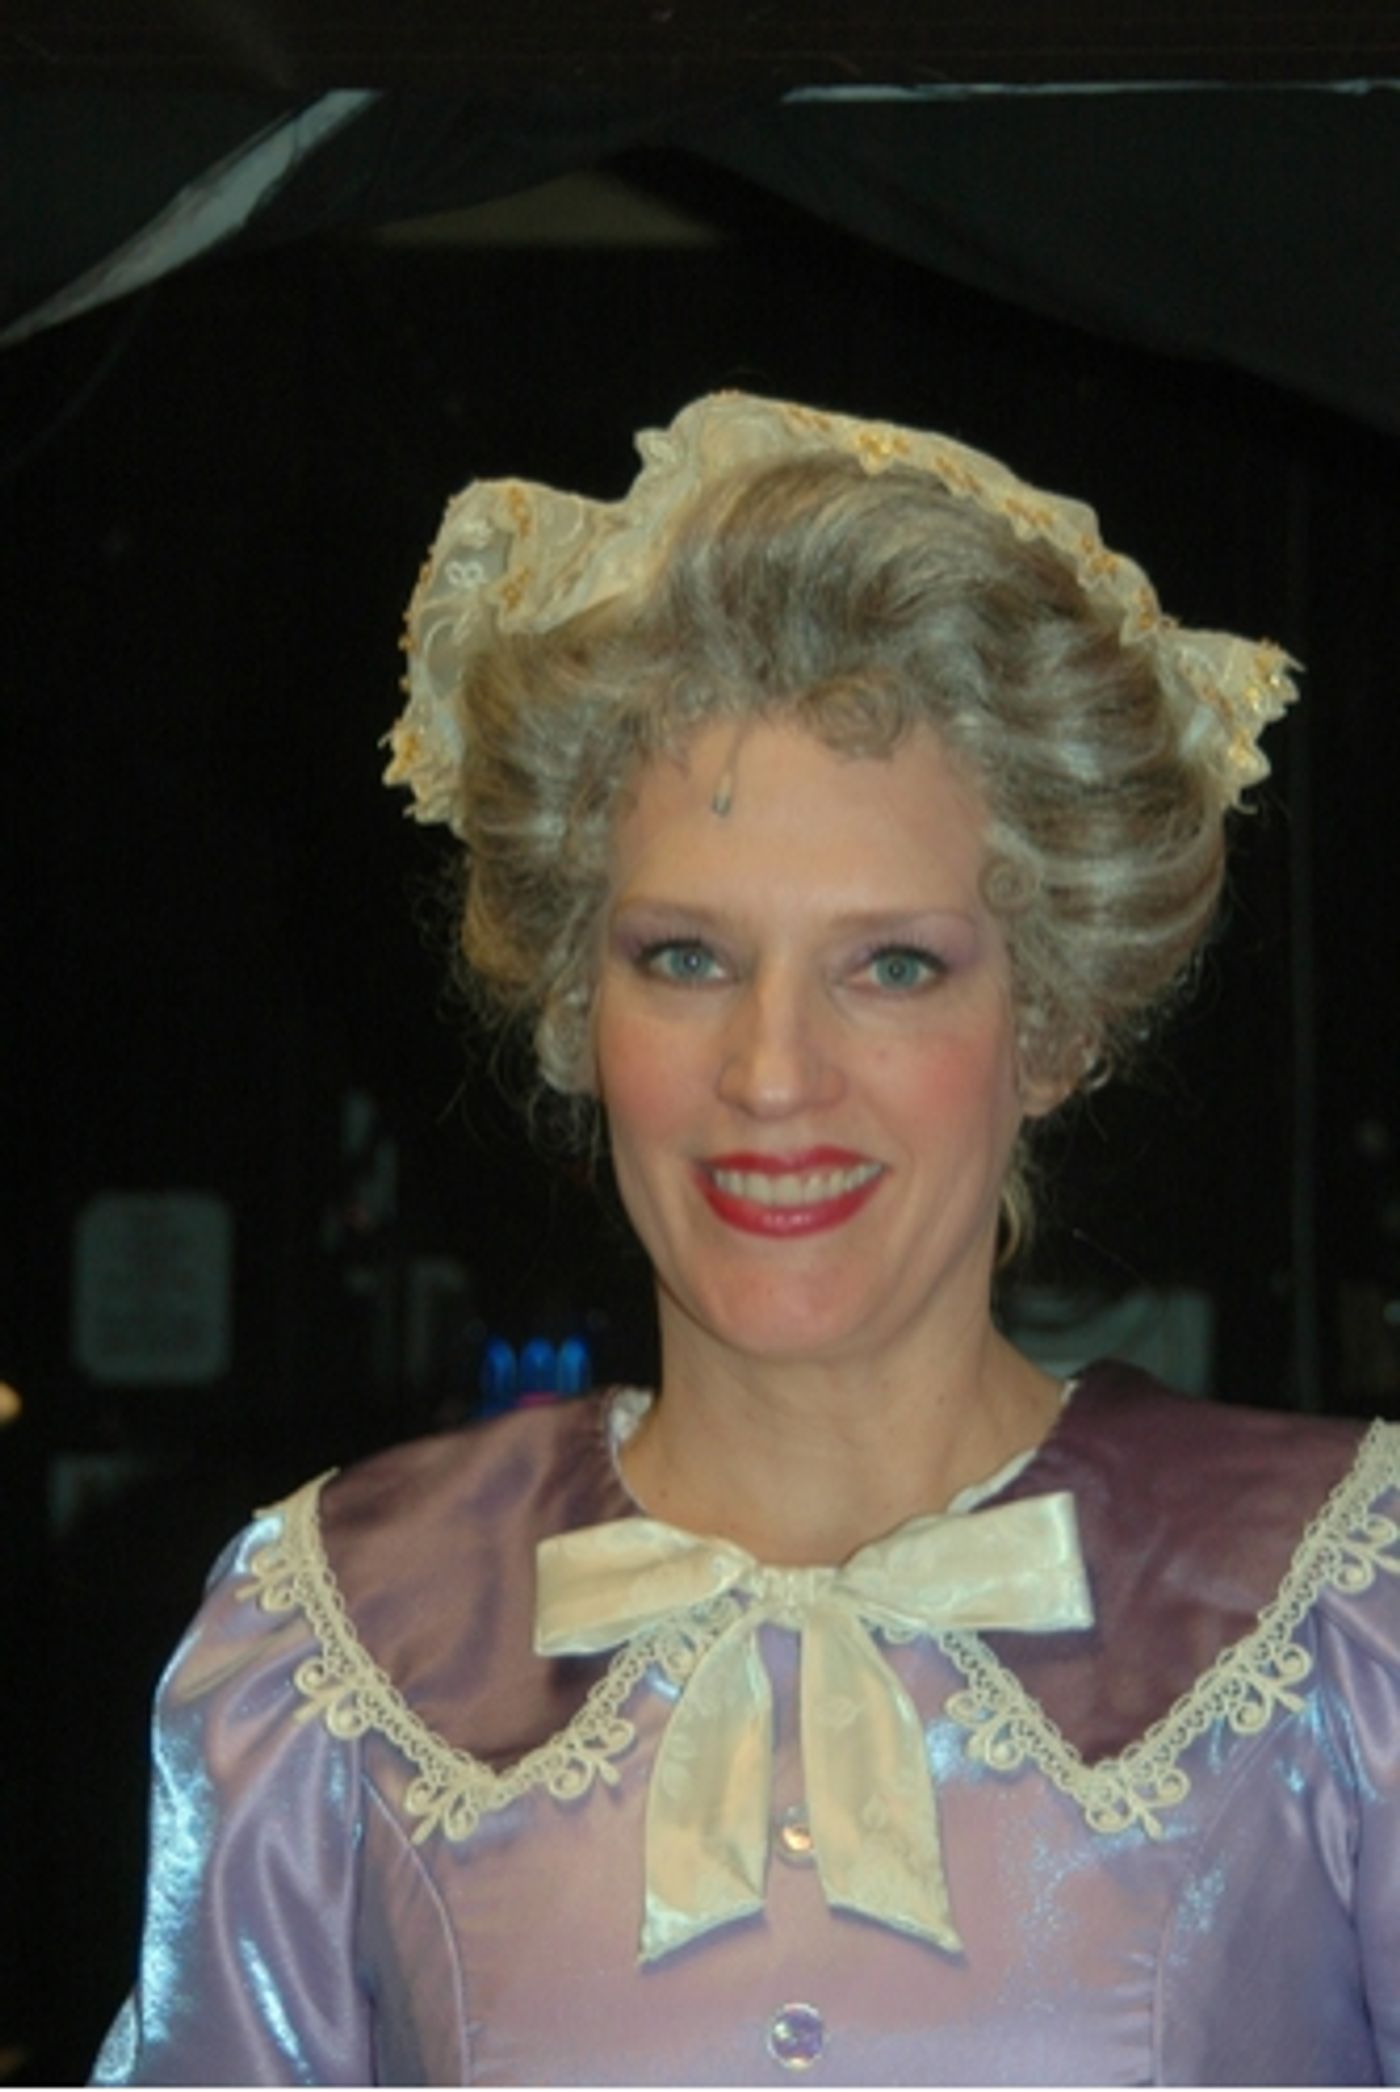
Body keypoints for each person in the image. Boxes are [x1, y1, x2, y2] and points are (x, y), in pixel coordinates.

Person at [94, 393, 1399, 2087]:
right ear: (576, 1007)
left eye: (894, 966)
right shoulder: (332, 1656)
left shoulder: (1339, 1625)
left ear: (1054, 1023)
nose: (773, 1074)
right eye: (687, 959)